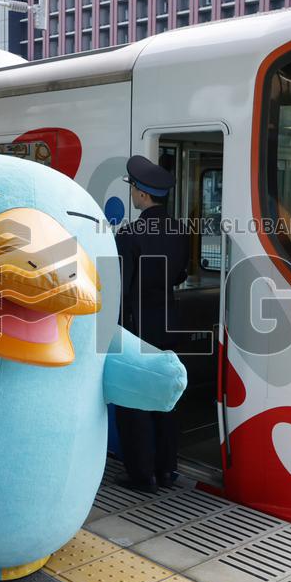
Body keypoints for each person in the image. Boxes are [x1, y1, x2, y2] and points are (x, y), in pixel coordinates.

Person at [114, 154, 190, 493]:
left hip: (137, 327)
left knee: (135, 399)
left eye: (133, 189)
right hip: (169, 324)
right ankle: (167, 470)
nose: (132, 194)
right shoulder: (181, 231)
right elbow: (181, 274)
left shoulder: (129, 235)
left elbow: (121, 288)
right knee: (166, 397)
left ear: (142, 195)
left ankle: (142, 475)